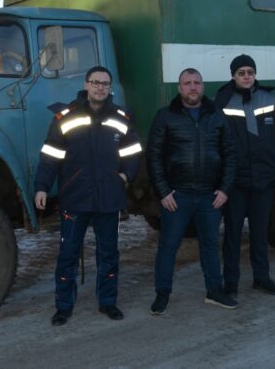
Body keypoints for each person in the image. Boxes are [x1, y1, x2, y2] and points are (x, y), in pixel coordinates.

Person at [34, 66, 143, 326]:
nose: (100, 88)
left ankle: (108, 302)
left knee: (108, 254)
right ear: (86, 84)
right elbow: (51, 156)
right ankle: (63, 306)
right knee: (68, 254)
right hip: (75, 197)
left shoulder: (121, 117)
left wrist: (126, 177)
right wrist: (41, 187)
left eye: (105, 84)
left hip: (108, 198)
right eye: (96, 83)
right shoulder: (66, 116)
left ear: (110, 87)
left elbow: (133, 152)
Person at [146, 68, 237, 315]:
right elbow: (153, 156)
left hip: (210, 196)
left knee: (209, 244)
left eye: (197, 82)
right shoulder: (165, 116)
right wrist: (164, 192)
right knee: (168, 246)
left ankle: (215, 291)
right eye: (187, 83)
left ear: (203, 87)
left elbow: (230, 155)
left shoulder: (217, 116)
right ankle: (162, 294)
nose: (193, 87)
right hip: (178, 196)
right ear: (179, 88)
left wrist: (225, 190)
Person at [214, 54, 275, 297]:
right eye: (241, 73)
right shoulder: (223, 101)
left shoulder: (270, 98)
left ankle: (262, 278)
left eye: (250, 72)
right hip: (235, 181)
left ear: (255, 74)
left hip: (264, 178)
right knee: (233, 235)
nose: (246, 76)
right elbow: (214, 137)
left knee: (260, 233)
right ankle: (231, 282)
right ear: (233, 76)